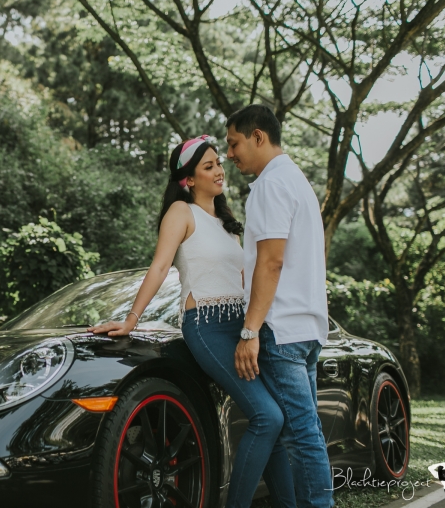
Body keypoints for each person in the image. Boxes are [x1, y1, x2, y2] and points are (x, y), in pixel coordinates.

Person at [88, 135, 296, 508]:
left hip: (240, 327)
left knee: (275, 422)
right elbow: (159, 266)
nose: (219, 171)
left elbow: (248, 280)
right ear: (188, 179)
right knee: (267, 417)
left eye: (219, 163)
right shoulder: (181, 213)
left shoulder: (227, 223)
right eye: (208, 166)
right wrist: (131, 319)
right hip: (207, 327)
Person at [226, 104, 334, 508]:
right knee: (307, 431)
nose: (230, 154)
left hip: (281, 329)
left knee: (300, 435)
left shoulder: (270, 185)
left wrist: (249, 331)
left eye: (234, 144)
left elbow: (271, 262)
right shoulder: (297, 180)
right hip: (306, 329)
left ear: (258, 136)